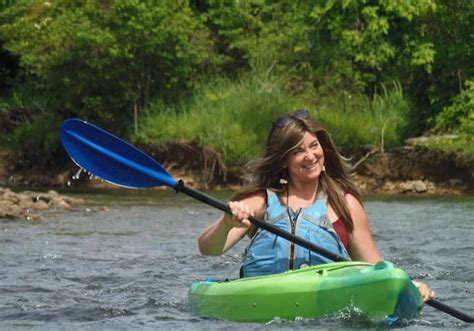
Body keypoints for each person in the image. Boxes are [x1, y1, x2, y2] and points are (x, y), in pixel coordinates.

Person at [198, 108, 434, 301]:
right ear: (283, 161)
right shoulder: (260, 202)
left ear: (323, 149)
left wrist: (409, 287)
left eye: (314, 146)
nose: (310, 156)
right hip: (259, 305)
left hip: (325, 309)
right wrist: (227, 222)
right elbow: (208, 248)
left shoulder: (345, 205)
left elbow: (375, 269)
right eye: (298, 151)